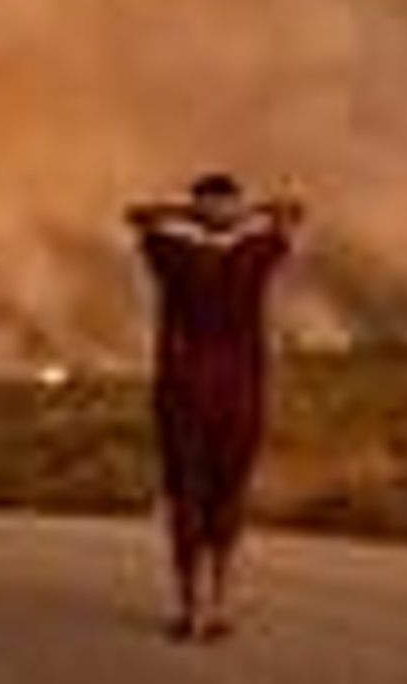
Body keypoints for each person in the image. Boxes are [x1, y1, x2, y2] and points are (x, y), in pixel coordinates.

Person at [126, 173, 302, 642]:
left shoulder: (172, 253)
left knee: (194, 497)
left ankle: (194, 609)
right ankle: (215, 607)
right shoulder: (253, 253)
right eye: (216, 204)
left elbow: (138, 216)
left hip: (188, 394)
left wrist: (194, 215)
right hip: (229, 395)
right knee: (222, 498)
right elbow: (291, 214)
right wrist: (241, 216)